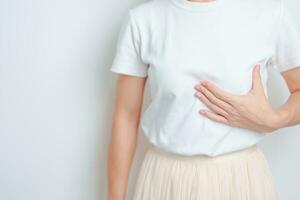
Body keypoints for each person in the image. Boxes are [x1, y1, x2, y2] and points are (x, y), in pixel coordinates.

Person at [107, 0, 300, 199]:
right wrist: (115, 196)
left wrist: (276, 119)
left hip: (241, 179)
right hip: (165, 179)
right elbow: (126, 116)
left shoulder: (269, 14)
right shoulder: (143, 19)